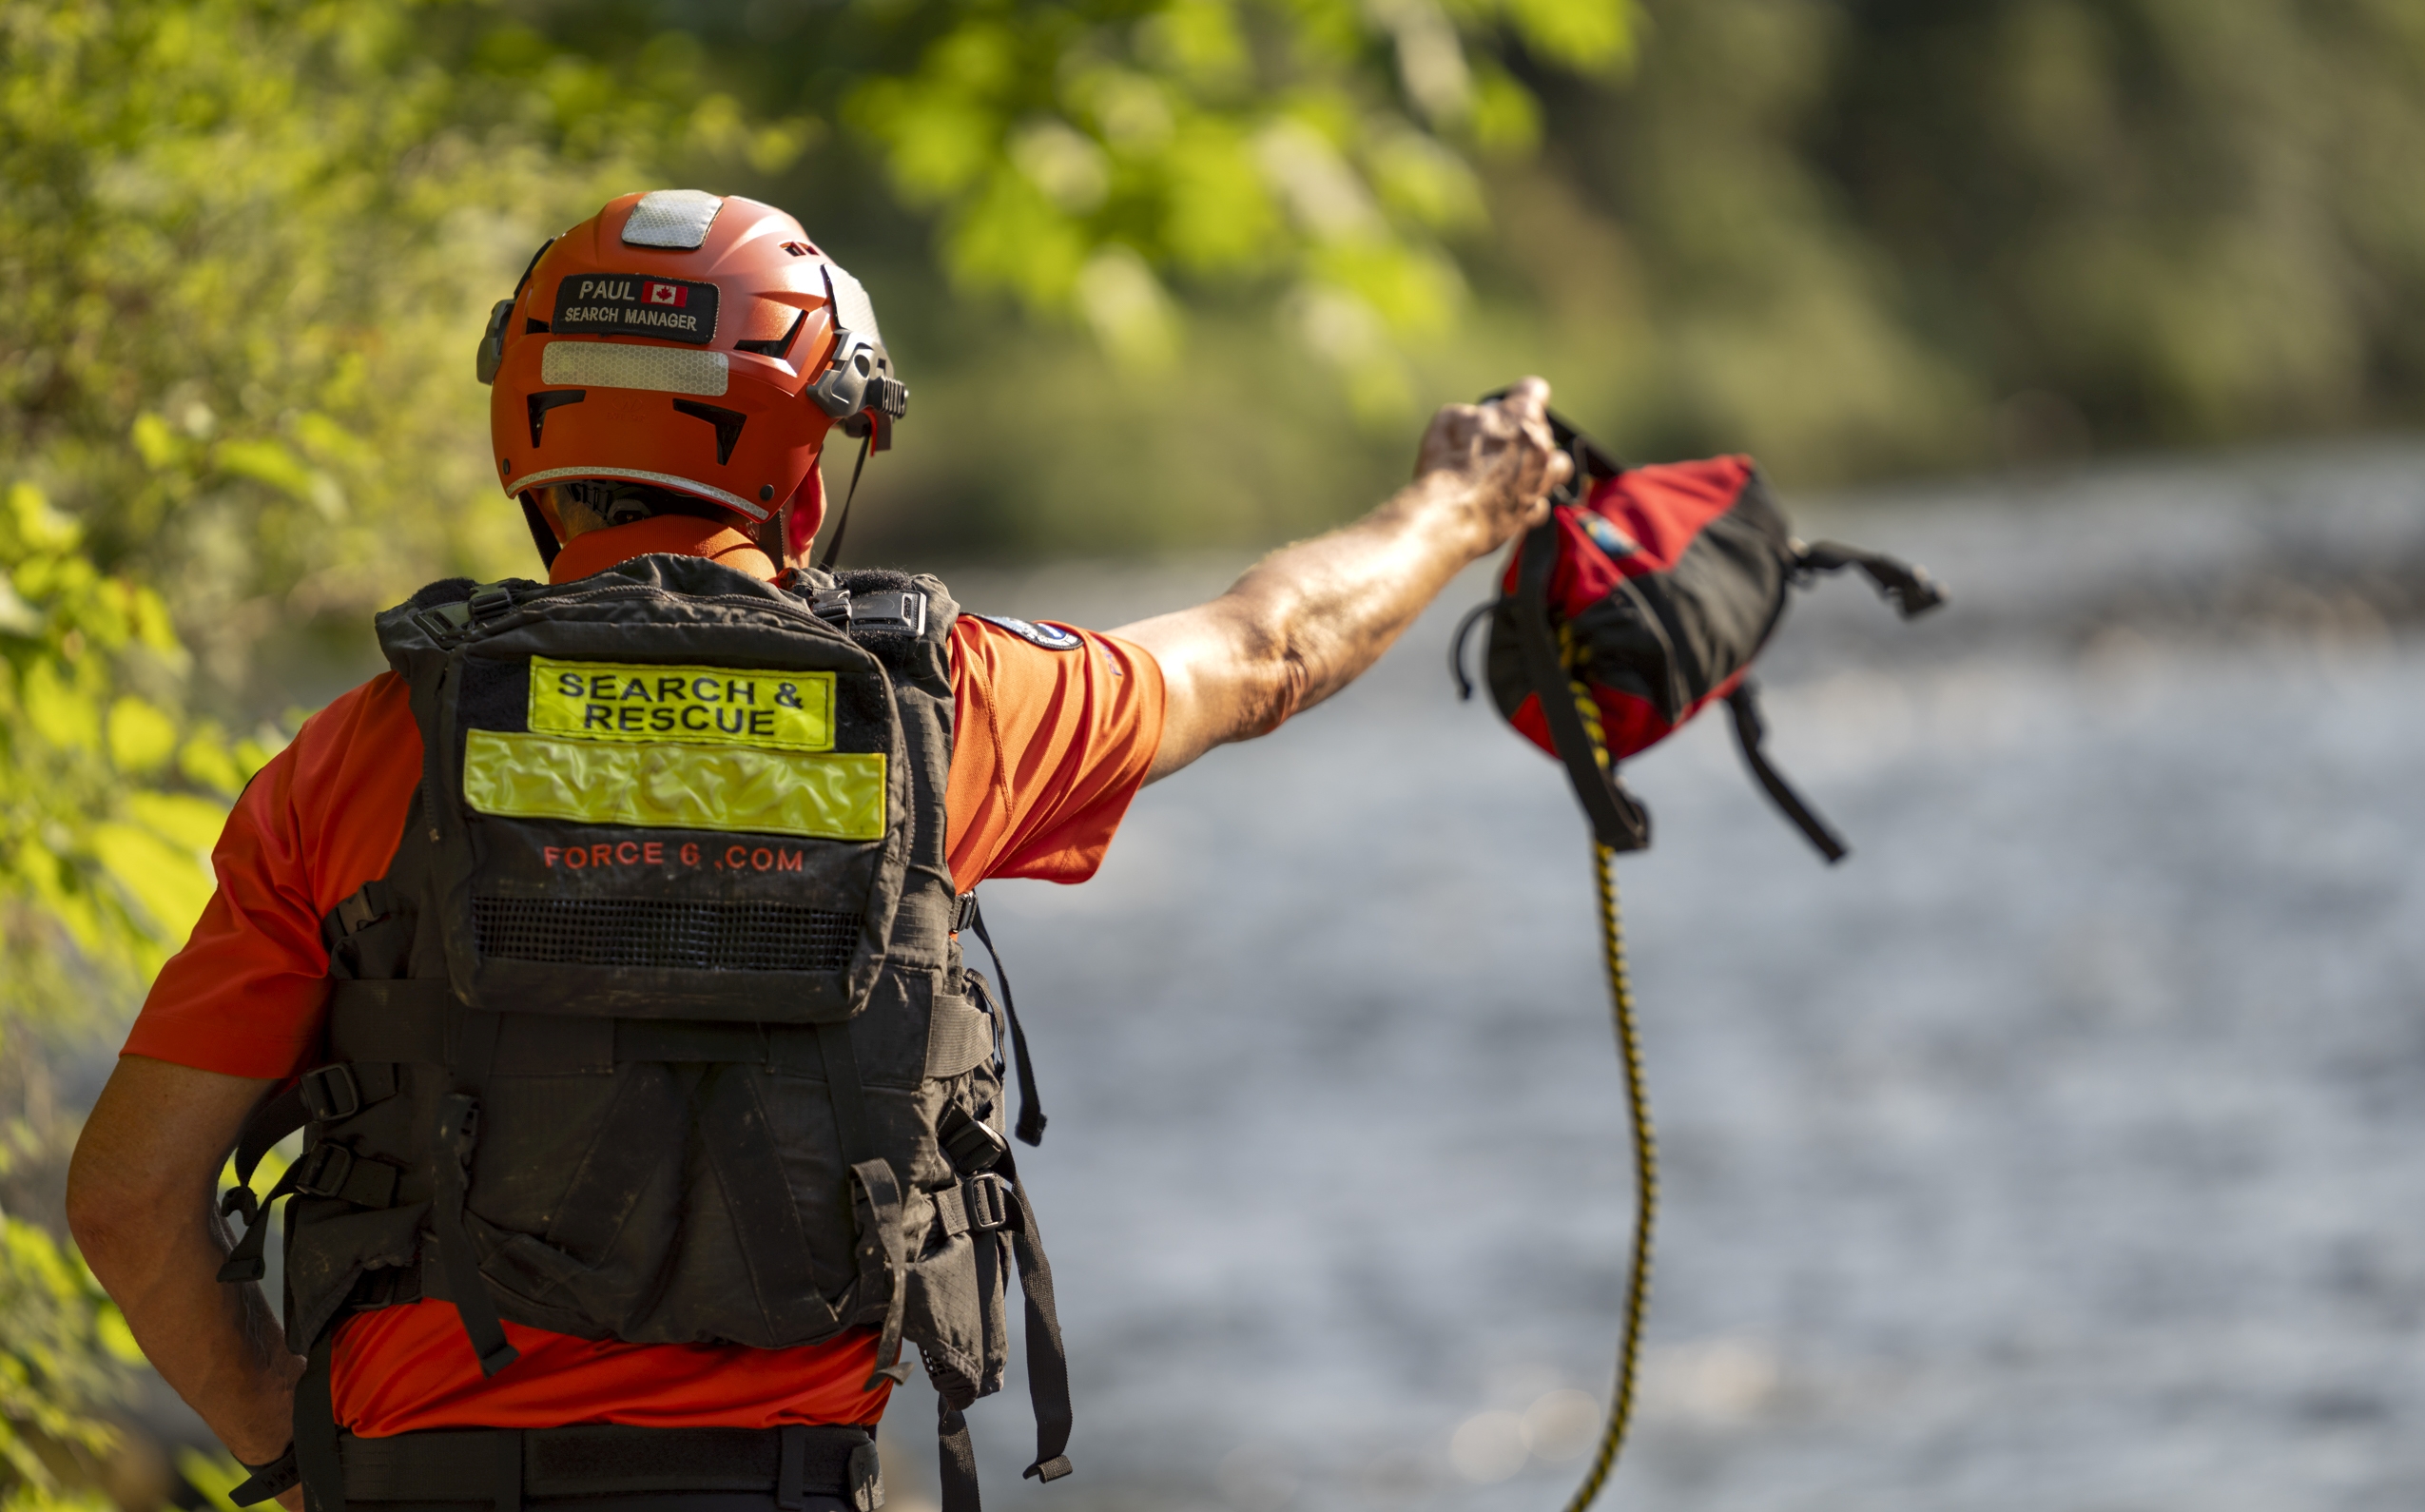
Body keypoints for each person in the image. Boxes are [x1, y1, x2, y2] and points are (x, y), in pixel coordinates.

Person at [66, 190, 1573, 1512]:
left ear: (526, 433)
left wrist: (304, 1442)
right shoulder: (950, 711)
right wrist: (1462, 500)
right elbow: (1269, 647)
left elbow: (132, 1203)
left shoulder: (351, 760)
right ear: (806, 460)